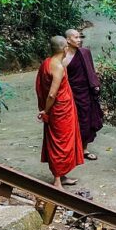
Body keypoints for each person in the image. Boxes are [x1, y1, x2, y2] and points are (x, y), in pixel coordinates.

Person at [35, 36, 84, 189]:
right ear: (65, 49)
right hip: (59, 110)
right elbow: (51, 94)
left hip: (63, 109)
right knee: (60, 144)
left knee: (61, 141)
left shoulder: (46, 63)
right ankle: (57, 180)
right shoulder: (57, 66)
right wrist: (46, 111)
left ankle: (62, 176)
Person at [62, 28, 104, 161]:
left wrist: (95, 84)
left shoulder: (85, 53)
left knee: (87, 120)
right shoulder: (63, 57)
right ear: (68, 40)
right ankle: (73, 148)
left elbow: (91, 70)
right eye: (76, 38)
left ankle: (84, 149)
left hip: (85, 92)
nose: (79, 40)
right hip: (70, 93)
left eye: (80, 37)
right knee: (71, 121)